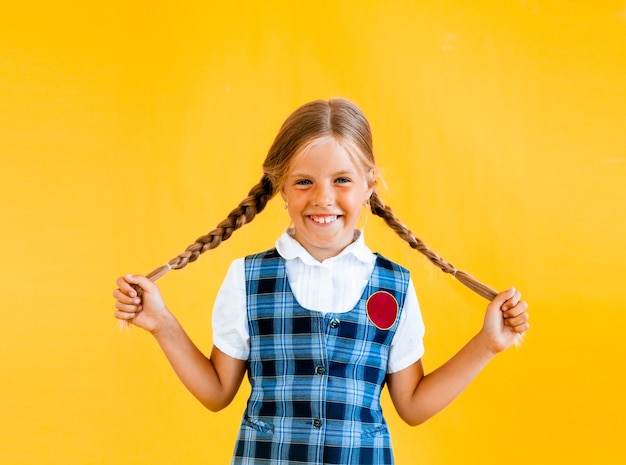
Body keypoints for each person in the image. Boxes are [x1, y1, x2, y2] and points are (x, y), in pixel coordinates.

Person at [113, 98, 529, 465]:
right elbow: (217, 392)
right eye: (304, 181)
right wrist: (162, 323)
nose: (323, 198)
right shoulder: (248, 278)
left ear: (369, 184)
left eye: (342, 180)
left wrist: (487, 345)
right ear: (282, 190)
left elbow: (413, 405)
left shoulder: (394, 285)